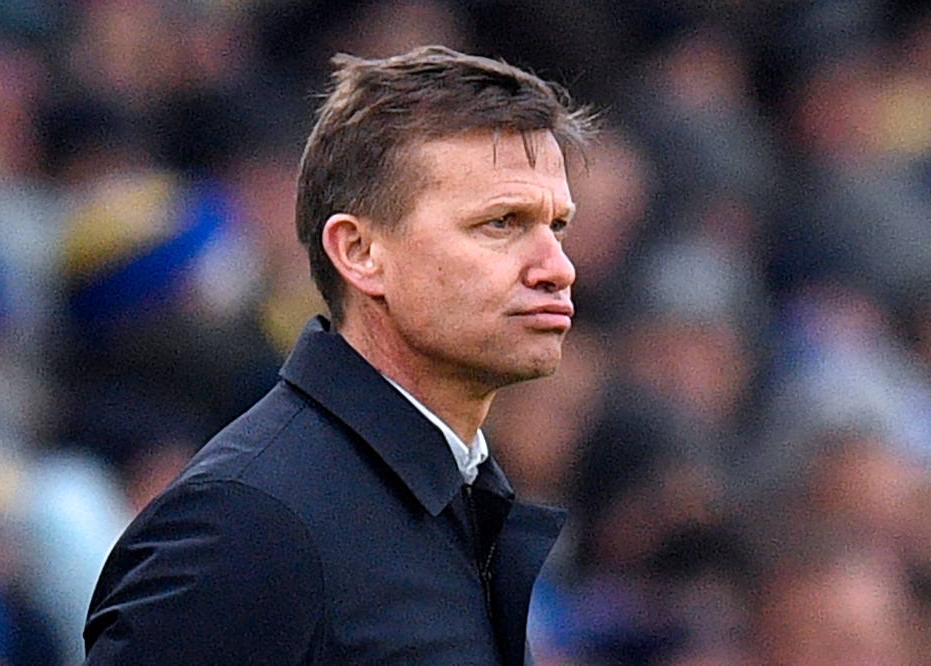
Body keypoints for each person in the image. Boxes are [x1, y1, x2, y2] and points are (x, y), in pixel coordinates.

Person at [83, 45, 597, 665]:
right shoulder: (244, 523)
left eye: (557, 227)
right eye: (501, 223)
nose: (556, 268)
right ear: (358, 251)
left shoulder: (456, 495)